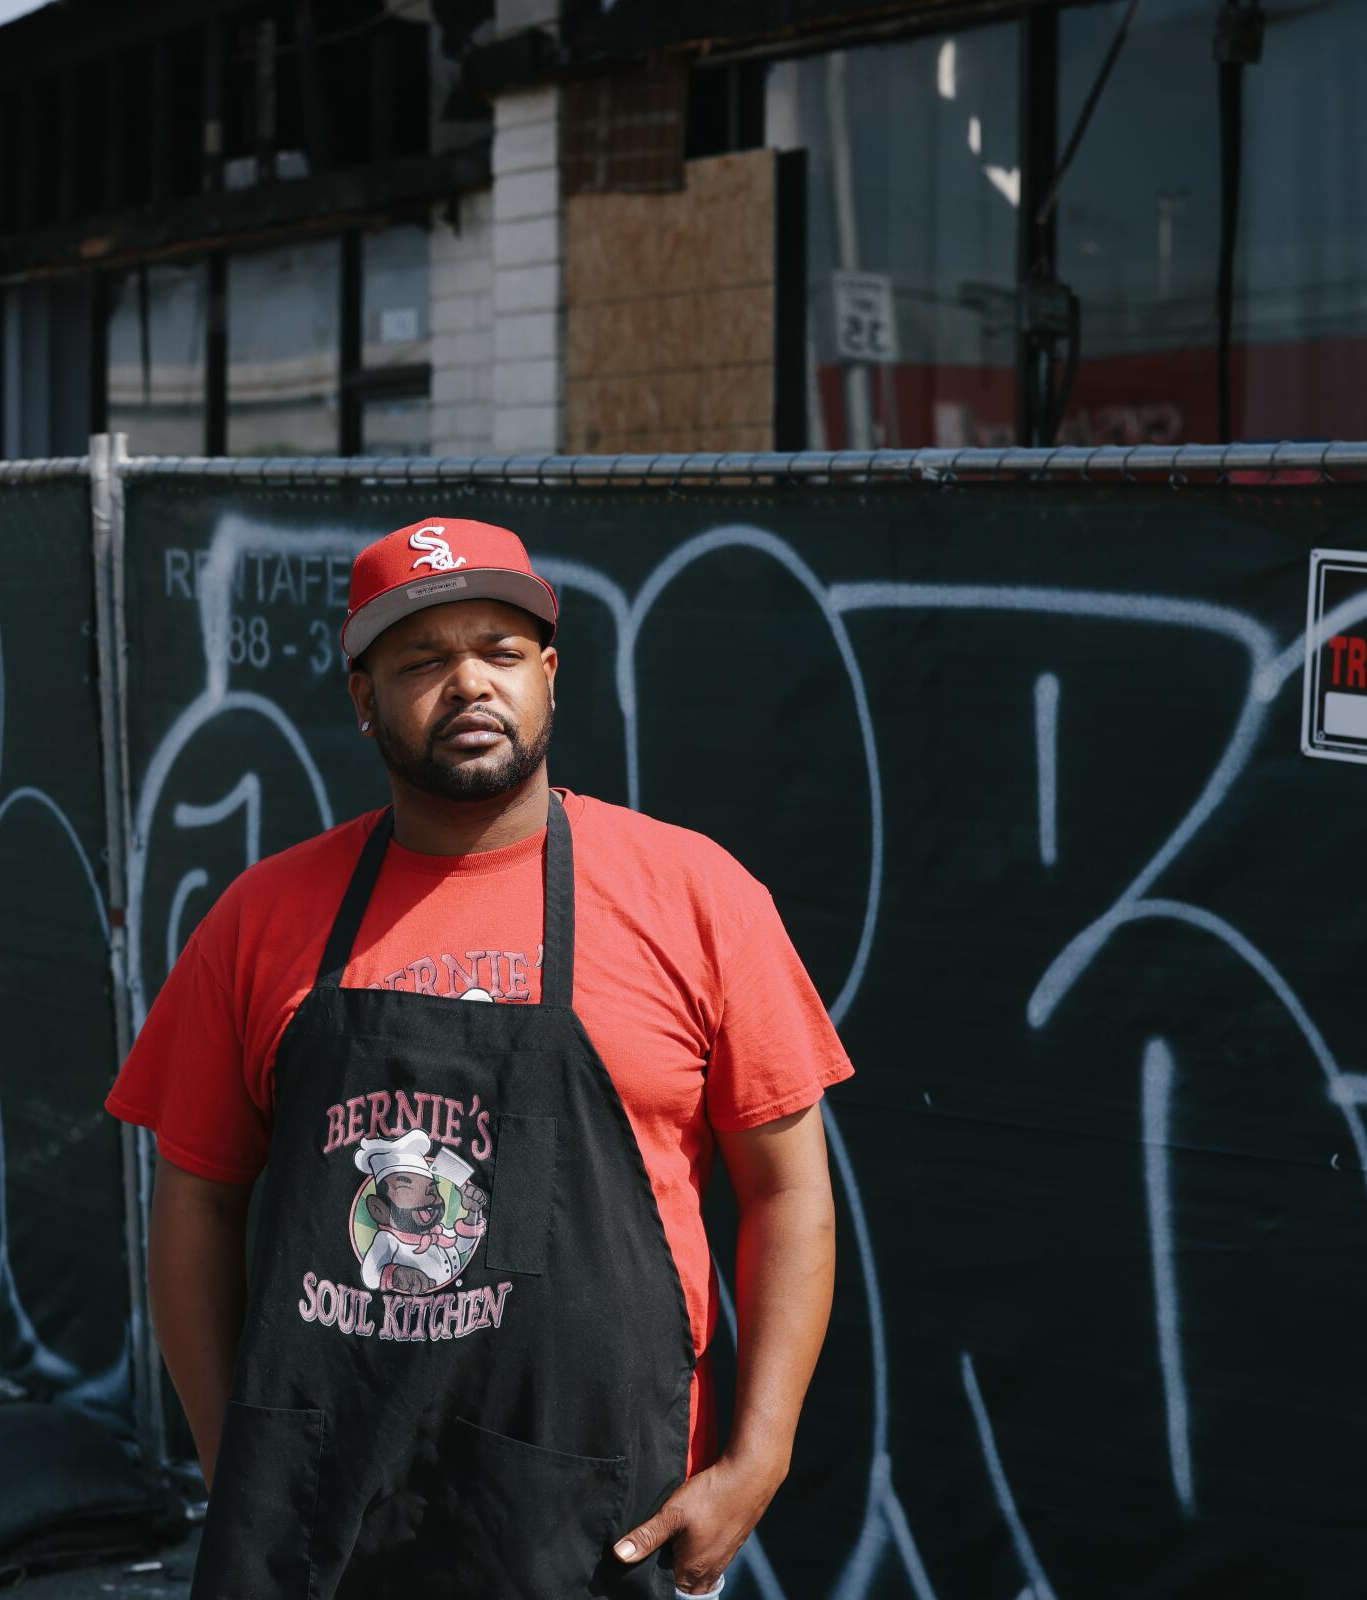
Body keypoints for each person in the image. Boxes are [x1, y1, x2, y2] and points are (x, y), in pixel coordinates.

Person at [106, 517, 852, 1598]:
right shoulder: (262, 918)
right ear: (364, 698)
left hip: (607, 1520)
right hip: (317, 1530)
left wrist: (759, 1457)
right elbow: (197, 1202)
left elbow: (789, 1194)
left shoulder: (698, 899)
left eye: (499, 652)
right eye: (420, 659)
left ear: (550, 675)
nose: (467, 683)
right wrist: (240, 1468)